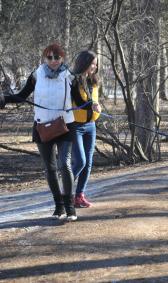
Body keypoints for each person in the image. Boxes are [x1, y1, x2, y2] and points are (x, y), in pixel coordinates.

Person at [0, 43, 77, 221]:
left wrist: (91, 104)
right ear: (45, 58)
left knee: (64, 164)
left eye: (56, 57)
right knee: (50, 169)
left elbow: (81, 98)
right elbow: (22, 95)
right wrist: (4, 99)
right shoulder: (37, 75)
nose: (53, 61)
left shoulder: (69, 76)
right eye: (49, 57)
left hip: (65, 125)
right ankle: (59, 207)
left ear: (62, 58)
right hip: (43, 126)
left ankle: (70, 207)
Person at [70, 50, 101, 208]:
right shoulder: (74, 80)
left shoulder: (94, 81)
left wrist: (97, 107)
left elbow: (95, 99)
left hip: (91, 126)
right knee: (80, 161)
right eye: (92, 63)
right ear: (84, 63)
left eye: (96, 64)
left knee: (88, 162)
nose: (94, 67)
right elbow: (78, 99)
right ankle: (65, 191)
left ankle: (79, 196)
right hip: (76, 126)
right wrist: (92, 105)